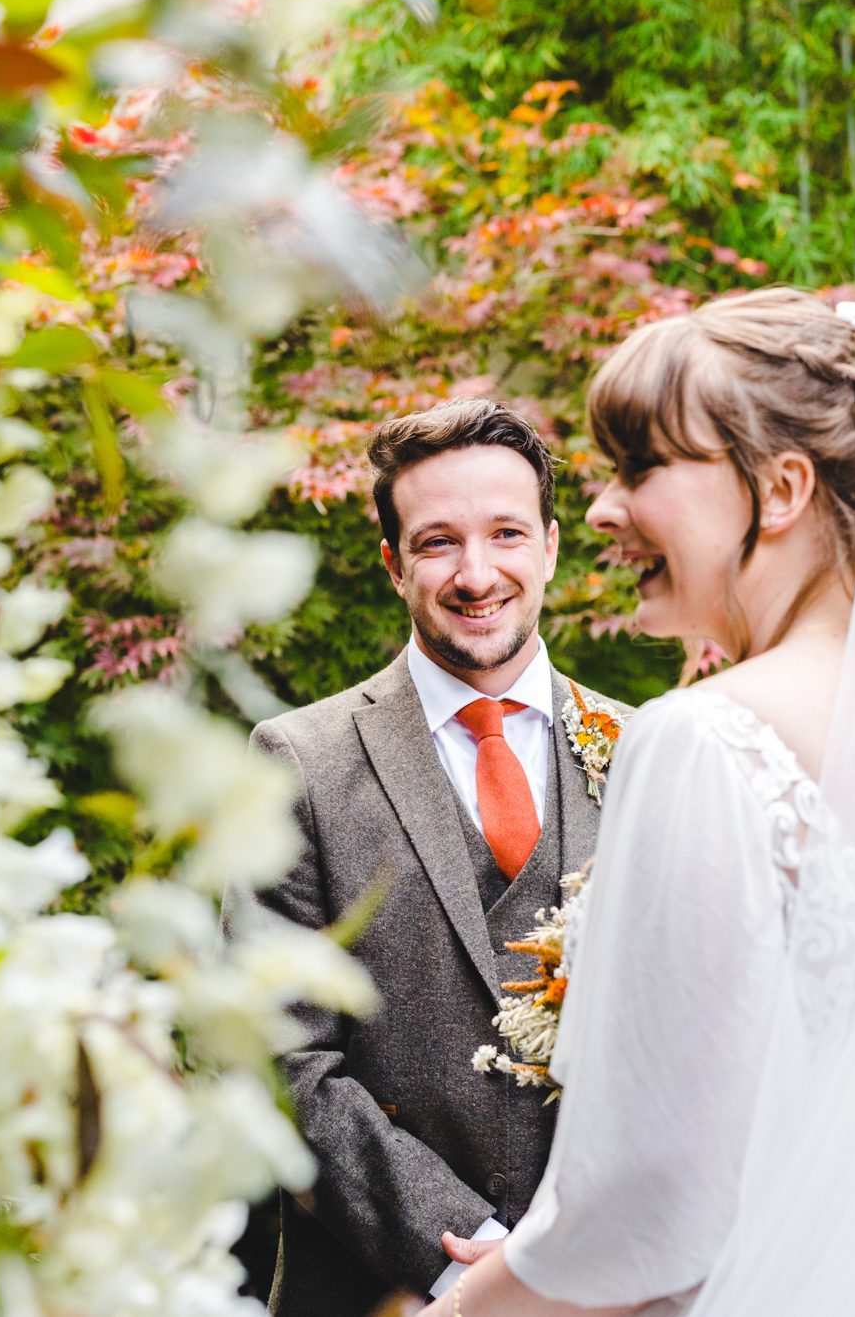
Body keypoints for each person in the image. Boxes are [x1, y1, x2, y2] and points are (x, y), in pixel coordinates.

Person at [419, 290, 855, 1317]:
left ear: (777, 488)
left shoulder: (707, 740)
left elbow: (648, 1208)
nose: (601, 510)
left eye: (641, 467)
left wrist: (474, 1305)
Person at [229, 398, 625, 1317]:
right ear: (393, 564)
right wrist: (467, 1255)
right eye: (439, 541)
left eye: (506, 534)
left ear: (553, 547)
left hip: (617, 1285)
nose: (476, 573)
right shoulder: (299, 762)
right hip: (381, 1290)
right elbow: (273, 1056)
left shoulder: (650, 753)